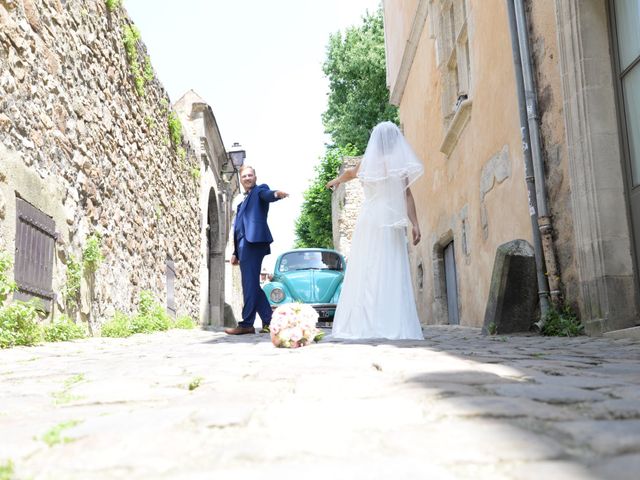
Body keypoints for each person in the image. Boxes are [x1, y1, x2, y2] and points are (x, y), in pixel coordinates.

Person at [326, 121, 424, 340]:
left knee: (367, 269)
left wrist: (335, 181)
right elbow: (407, 195)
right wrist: (415, 224)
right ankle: (390, 320)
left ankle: (366, 321)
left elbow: (348, 174)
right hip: (391, 220)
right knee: (390, 267)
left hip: (369, 220)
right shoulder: (399, 164)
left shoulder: (365, 163)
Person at [225, 165, 289, 335]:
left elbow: (267, 195)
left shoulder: (260, 190)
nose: (247, 178)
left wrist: (276, 194)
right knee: (252, 285)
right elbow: (238, 229)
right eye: (244, 176)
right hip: (243, 247)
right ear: (241, 179)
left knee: (249, 284)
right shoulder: (240, 205)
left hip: (254, 244)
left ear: (255, 177)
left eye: (250, 175)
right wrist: (235, 253)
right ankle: (269, 322)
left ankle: (247, 323)